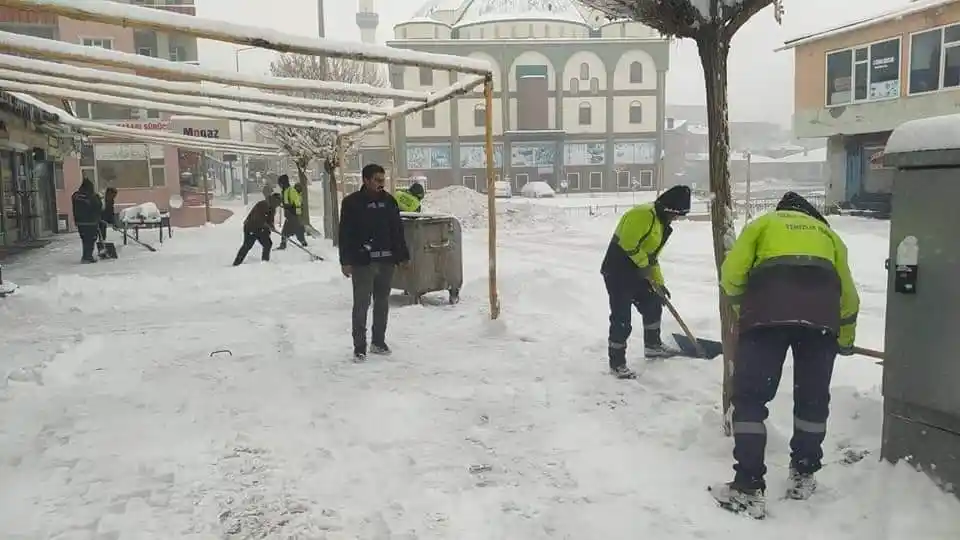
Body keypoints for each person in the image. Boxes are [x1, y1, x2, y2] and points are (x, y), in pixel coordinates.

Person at [709, 191, 859, 519]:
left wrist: (745, 311)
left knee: (750, 400)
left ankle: (748, 486)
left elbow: (731, 274)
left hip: (767, 317)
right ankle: (803, 475)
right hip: (821, 323)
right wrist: (844, 341)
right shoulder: (829, 236)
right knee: (812, 401)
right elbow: (849, 298)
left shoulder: (763, 224)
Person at [599, 185, 691, 379]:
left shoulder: (662, 224)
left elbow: (652, 257)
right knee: (622, 319)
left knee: (653, 303)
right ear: (669, 209)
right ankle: (617, 363)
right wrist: (643, 266)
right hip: (618, 271)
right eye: (676, 215)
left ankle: (653, 346)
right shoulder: (643, 214)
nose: (676, 219)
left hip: (639, 272)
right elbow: (628, 243)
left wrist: (659, 283)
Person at [339, 163, 410, 362]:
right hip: (364, 262)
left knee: (382, 303)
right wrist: (345, 261)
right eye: (377, 180)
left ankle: (378, 341)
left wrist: (403, 255)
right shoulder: (352, 203)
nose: (381, 184)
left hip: (386, 261)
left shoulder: (390, 202)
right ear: (366, 180)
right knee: (361, 304)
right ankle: (359, 346)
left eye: (383, 180)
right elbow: (345, 234)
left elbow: (397, 231)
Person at [233, 193, 282, 266]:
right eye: (278, 203)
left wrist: (272, 227)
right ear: (274, 200)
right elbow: (257, 218)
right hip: (251, 227)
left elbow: (270, 220)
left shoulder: (272, 208)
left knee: (267, 244)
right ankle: (236, 263)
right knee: (247, 245)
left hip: (261, 229)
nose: (278, 205)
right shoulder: (263, 204)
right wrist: (266, 225)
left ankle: (265, 262)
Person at [71, 178, 103, 264]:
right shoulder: (92, 196)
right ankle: (87, 257)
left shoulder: (75, 196)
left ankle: (86, 256)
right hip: (91, 222)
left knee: (85, 239)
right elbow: (98, 206)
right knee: (90, 240)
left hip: (80, 222)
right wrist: (98, 198)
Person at [277, 174, 306, 250]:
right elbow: (286, 202)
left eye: (280, 183)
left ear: (283, 183)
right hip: (289, 215)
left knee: (293, 230)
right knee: (292, 231)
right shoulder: (285, 191)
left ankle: (304, 244)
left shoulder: (291, 190)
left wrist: (296, 213)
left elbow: (297, 202)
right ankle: (303, 243)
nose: (279, 185)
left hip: (293, 215)